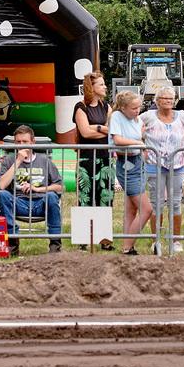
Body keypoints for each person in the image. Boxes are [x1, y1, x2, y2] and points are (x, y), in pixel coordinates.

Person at [141, 87, 184, 253]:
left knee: (175, 203)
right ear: (157, 101)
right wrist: (142, 142)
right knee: (157, 203)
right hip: (154, 164)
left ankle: (176, 240)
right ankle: (156, 240)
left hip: (177, 164)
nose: (168, 101)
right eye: (164, 98)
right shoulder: (148, 116)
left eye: (171, 98)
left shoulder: (182, 116)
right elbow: (134, 127)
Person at [0, 124, 64, 255]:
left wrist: (38, 189)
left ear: (33, 142)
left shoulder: (45, 161)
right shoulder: (9, 161)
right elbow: (1, 186)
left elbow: (59, 186)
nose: (21, 145)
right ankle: (12, 242)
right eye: (18, 142)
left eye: (25, 141)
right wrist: (18, 161)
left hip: (41, 202)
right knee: (2, 195)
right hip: (18, 202)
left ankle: (55, 244)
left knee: (52, 196)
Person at [74, 72, 115, 242]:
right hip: (87, 159)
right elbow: (85, 132)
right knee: (85, 197)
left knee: (105, 197)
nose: (105, 87)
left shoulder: (107, 107)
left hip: (105, 158)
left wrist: (96, 127)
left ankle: (104, 239)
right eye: (101, 84)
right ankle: (83, 239)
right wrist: (102, 128)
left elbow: (112, 130)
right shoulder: (80, 107)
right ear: (92, 87)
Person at [109, 91, 151, 255]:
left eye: (139, 107)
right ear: (123, 108)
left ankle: (127, 247)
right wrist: (138, 143)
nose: (137, 110)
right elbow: (118, 140)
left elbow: (139, 136)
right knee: (146, 209)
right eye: (134, 108)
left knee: (131, 210)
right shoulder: (116, 117)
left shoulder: (137, 119)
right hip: (126, 164)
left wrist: (141, 145)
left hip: (137, 162)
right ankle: (127, 246)